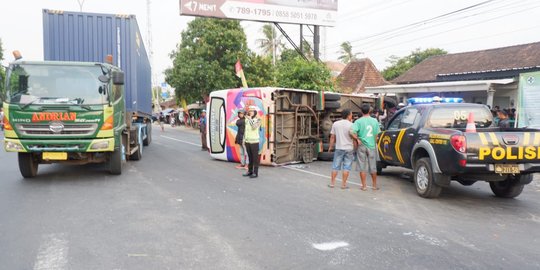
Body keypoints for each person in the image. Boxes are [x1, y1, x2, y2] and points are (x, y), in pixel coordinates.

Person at [351, 104, 381, 191]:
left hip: (362, 145)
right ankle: (374, 186)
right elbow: (376, 134)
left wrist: (357, 139)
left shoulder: (358, 121)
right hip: (371, 145)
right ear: (369, 111)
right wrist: (374, 143)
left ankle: (364, 186)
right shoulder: (374, 121)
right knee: (373, 166)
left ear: (361, 111)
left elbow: (352, 132)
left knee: (362, 166)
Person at [327, 109, 354, 189]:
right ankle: (343, 184)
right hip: (349, 148)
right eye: (351, 114)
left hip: (339, 147)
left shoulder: (336, 124)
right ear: (349, 115)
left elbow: (332, 137)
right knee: (346, 167)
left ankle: (332, 183)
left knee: (335, 166)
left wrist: (330, 147)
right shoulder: (352, 125)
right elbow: (354, 137)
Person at [243, 106, 261, 179]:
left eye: (252, 111)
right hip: (247, 141)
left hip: (254, 142)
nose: (250, 112)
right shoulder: (246, 120)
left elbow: (254, 127)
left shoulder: (258, 120)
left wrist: (250, 119)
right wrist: (244, 140)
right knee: (250, 157)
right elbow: (246, 130)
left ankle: (255, 173)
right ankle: (250, 171)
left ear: (255, 112)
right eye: (249, 111)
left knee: (255, 158)